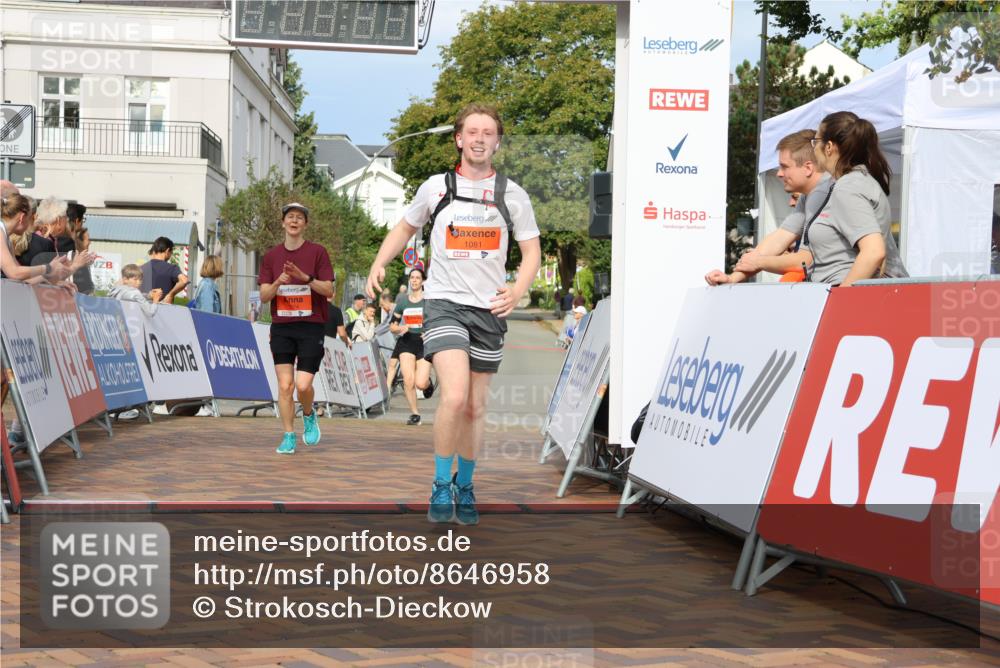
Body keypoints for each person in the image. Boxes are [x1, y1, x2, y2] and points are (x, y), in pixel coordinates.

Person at [366, 103, 542, 525]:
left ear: (497, 142)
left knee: (476, 409)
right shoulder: (436, 188)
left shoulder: (512, 194)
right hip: (443, 303)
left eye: (488, 133)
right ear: (459, 139)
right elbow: (405, 228)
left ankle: (466, 485)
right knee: (456, 396)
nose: (480, 139)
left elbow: (532, 251)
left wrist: (518, 289)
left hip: (489, 309)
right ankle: (441, 483)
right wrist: (380, 261)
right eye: (472, 132)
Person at [706, 129, 832, 285]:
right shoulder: (808, 196)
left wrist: (759, 261)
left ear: (808, 167)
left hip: (844, 290)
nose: (779, 174)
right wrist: (732, 278)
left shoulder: (834, 193)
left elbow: (805, 260)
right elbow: (779, 238)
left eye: (784, 167)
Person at [258, 202, 335, 454]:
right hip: (282, 326)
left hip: (311, 325)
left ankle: (309, 413)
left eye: (299, 218)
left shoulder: (317, 252)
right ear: (283, 223)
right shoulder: (271, 257)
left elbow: (329, 290)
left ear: (305, 224)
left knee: (302, 386)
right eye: (290, 217)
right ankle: (288, 435)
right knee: (285, 386)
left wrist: (305, 278)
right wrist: (279, 281)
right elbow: (264, 296)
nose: (294, 221)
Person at [802, 111, 907, 286]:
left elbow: (873, 252)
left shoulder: (848, 187)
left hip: (852, 296)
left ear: (828, 147)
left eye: (816, 141)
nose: (813, 148)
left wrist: (841, 299)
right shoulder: (855, 181)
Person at [1, 194, 87, 285]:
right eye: (29, 218)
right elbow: (14, 273)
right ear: (22, 218)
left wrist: (52, 281)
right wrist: (48, 267)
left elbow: (22, 280)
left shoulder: (7, 239)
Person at [390, 267, 434, 425]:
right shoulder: (403, 301)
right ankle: (415, 414)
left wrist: (429, 332)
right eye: (412, 277)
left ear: (422, 281)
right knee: (408, 380)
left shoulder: (429, 301)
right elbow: (392, 326)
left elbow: (436, 321)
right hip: (407, 341)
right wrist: (399, 328)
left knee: (420, 383)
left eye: (417, 277)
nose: (414, 280)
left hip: (424, 342)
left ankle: (428, 384)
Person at [141, 236, 189, 304]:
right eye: (171, 253)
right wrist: (171, 295)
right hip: (164, 311)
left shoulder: (141, 268)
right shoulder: (172, 268)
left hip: (143, 309)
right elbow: (184, 280)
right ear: (167, 251)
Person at [66, 201, 95, 295]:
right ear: (77, 221)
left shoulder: (53, 240)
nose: (89, 242)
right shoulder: (69, 244)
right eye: (83, 220)